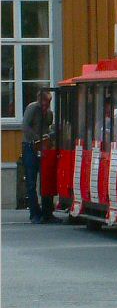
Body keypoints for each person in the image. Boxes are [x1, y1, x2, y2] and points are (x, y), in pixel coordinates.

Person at [21, 90, 60, 224]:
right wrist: (37, 139)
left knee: (47, 180)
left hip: (43, 148)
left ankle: (47, 213)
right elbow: (25, 126)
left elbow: (48, 128)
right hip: (30, 147)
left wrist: (49, 137)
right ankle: (34, 213)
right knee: (31, 182)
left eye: (48, 103)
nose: (45, 106)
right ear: (39, 100)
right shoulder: (32, 108)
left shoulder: (49, 113)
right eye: (44, 103)